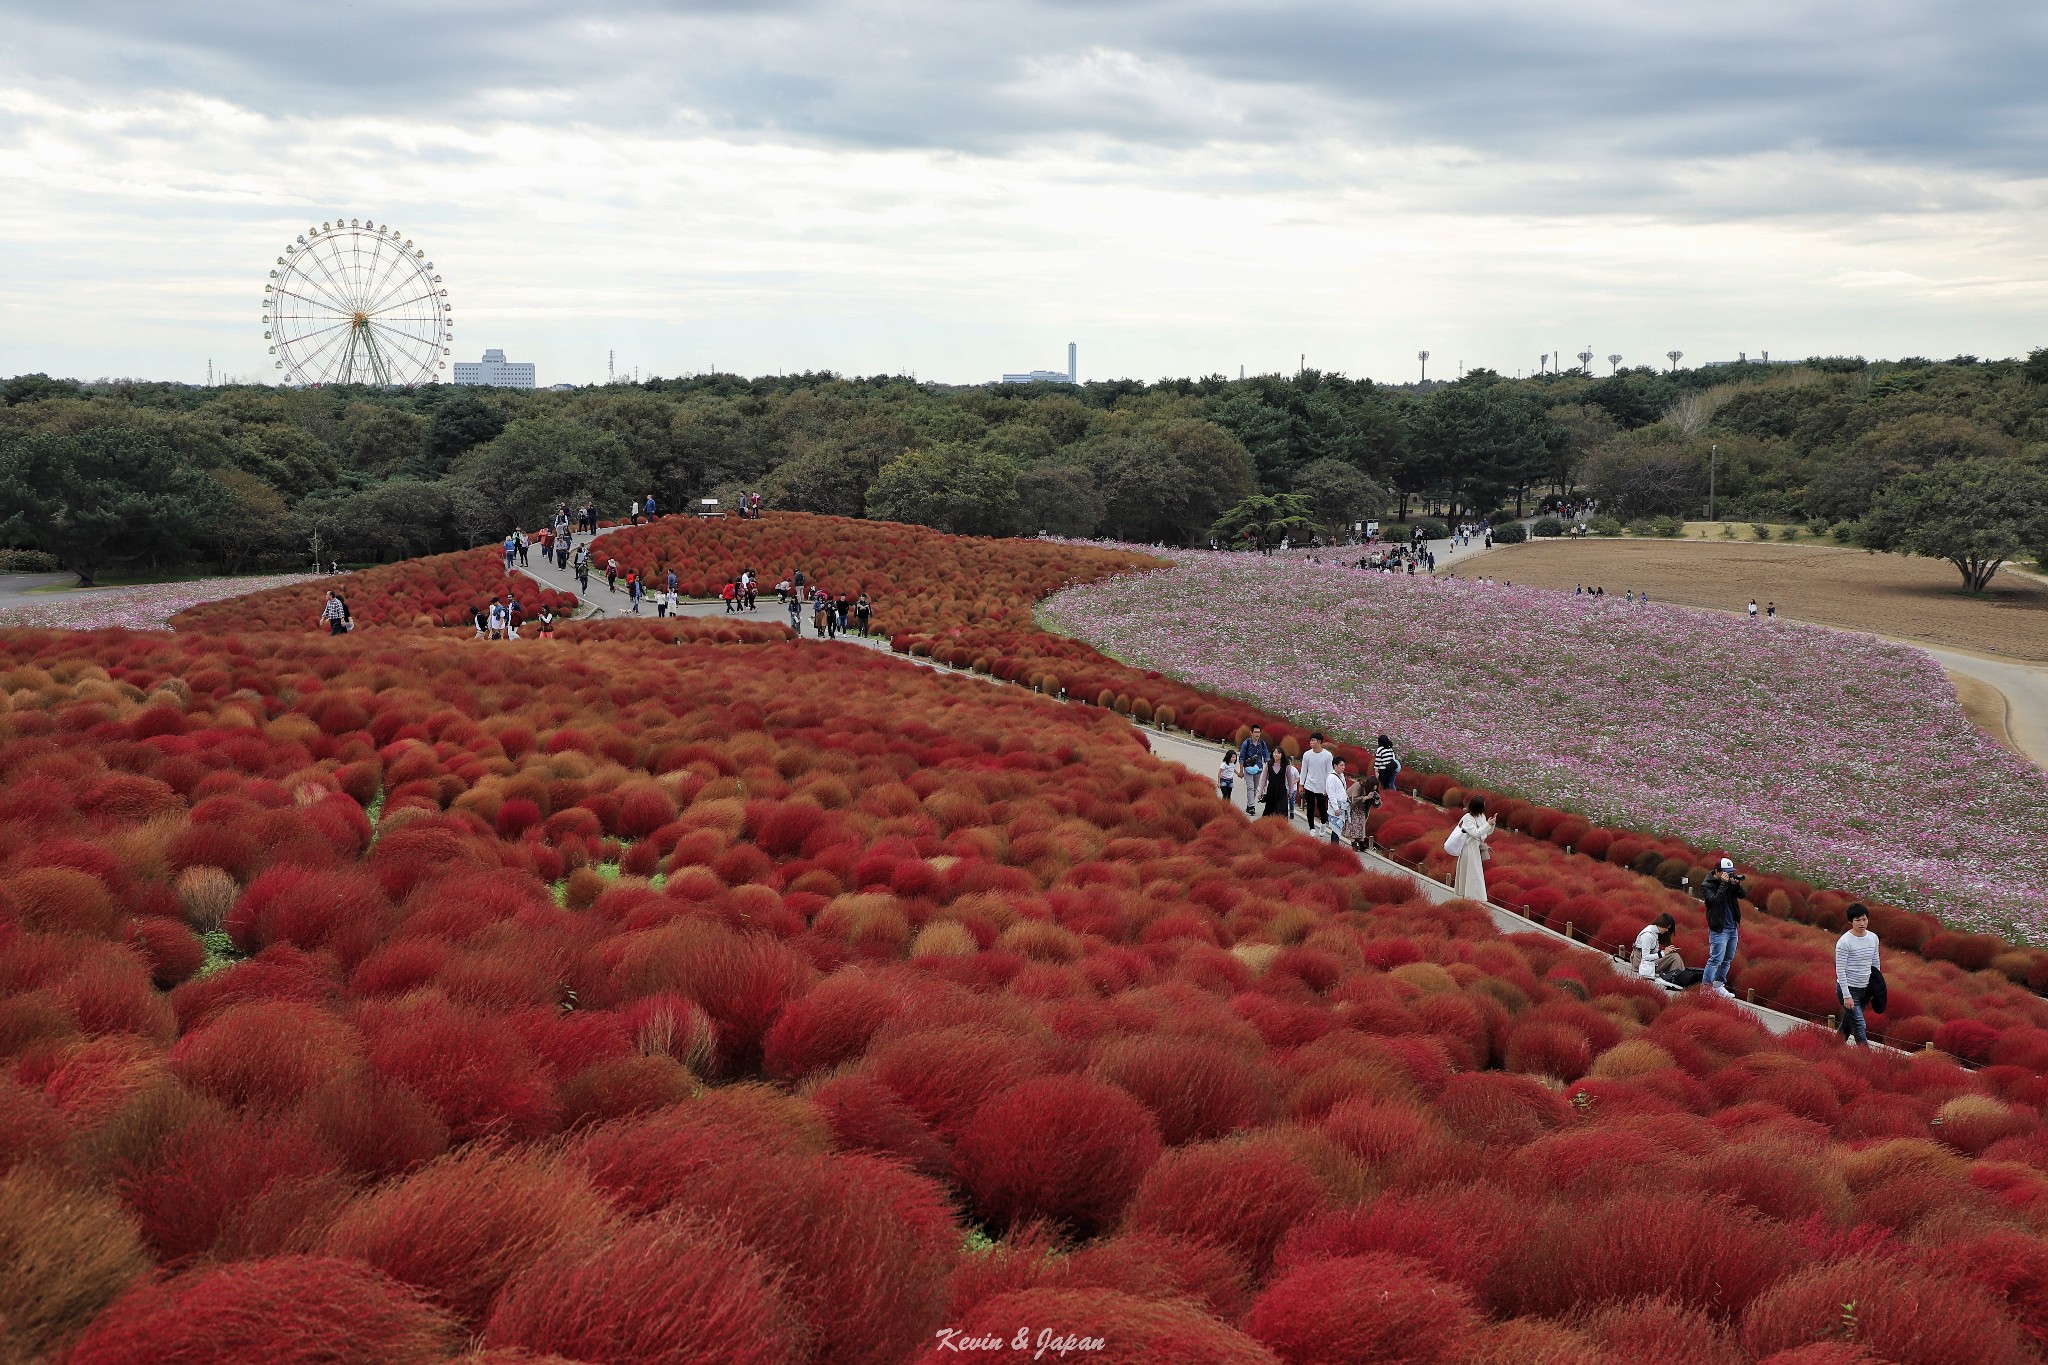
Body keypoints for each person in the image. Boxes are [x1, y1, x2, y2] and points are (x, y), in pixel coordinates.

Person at [1836, 904, 1882, 1046]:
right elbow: (1840, 970)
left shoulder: (1873, 938)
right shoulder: (1844, 942)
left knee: (1848, 1024)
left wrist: (1876, 986)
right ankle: (1867, 1060)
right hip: (1849, 989)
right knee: (1859, 1025)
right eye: (1858, 920)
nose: (1862, 923)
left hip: (1865, 989)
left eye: (1864, 919)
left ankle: (1833, 1048)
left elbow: (1875, 963)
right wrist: (1847, 996)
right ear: (1851, 921)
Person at [1700, 858, 1744, 999]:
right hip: (1719, 929)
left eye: (1731, 873)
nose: (1729, 875)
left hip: (1732, 927)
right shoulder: (1707, 884)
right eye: (1726, 873)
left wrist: (1735, 885)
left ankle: (1718, 985)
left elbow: (1742, 895)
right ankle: (1706, 989)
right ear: (1717, 871)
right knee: (1715, 959)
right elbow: (1714, 902)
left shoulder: (1728, 883)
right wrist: (1724, 885)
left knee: (1727, 959)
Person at [1448, 796, 1494, 901]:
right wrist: (1487, 824)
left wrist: (1491, 824)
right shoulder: (1467, 818)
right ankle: (1470, 898)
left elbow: (1485, 833)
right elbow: (1475, 832)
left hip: (1475, 848)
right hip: (1468, 848)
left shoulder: (1481, 816)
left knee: (1474, 873)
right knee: (1472, 873)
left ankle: (1472, 898)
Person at [1342, 763, 1380, 850]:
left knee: (1361, 823)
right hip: (1351, 805)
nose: (1373, 789)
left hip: (1362, 807)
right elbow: (1354, 800)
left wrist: (1376, 800)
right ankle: (1353, 842)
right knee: (1354, 823)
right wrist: (1366, 797)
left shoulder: (1372, 791)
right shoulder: (1359, 785)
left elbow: (1376, 805)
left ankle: (1361, 841)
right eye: (1373, 787)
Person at [1299, 734, 1333, 831]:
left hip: (1322, 787)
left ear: (1319, 742)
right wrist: (1301, 784)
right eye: (1310, 740)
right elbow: (1304, 770)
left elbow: (1329, 772)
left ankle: (1323, 823)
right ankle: (1312, 828)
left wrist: (1328, 787)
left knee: (1321, 807)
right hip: (1309, 785)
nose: (1311, 742)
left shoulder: (1327, 755)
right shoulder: (1307, 754)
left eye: (1313, 740)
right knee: (1310, 807)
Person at [1237, 727, 1272, 815]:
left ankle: (1249, 805)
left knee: (1255, 788)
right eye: (1255, 732)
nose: (1257, 734)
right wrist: (1241, 771)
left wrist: (1269, 769)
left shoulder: (1262, 744)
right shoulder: (1247, 743)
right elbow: (1241, 757)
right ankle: (1252, 806)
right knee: (1250, 787)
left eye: (1258, 732)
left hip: (1259, 769)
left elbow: (1266, 757)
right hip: (1248, 768)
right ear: (1251, 733)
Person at [1322, 756, 1351, 845]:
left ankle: (1335, 846)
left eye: (1344, 765)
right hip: (1336, 807)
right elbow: (1331, 794)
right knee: (1335, 829)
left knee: (1338, 829)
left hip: (1342, 806)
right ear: (1335, 766)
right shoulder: (1331, 778)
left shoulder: (1341, 776)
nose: (1343, 767)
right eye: (1341, 765)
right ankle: (1334, 847)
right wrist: (1335, 808)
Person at [1261, 753, 1292, 819]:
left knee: (1281, 812)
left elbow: (1290, 779)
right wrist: (1260, 791)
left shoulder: (1286, 765)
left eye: (1278, 753)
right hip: (1271, 791)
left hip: (1282, 791)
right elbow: (1263, 779)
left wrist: (1291, 792)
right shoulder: (1269, 764)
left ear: (1282, 755)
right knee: (1269, 812)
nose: (1276, 754)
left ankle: (1281, 827)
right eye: (1275, 753)